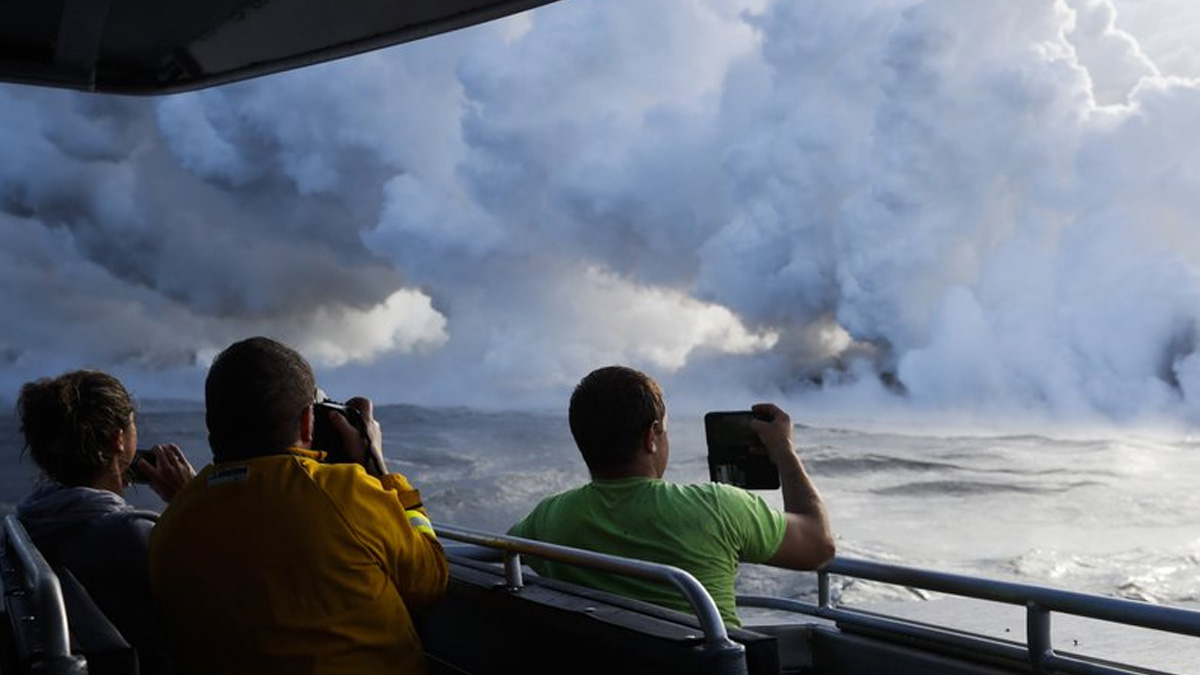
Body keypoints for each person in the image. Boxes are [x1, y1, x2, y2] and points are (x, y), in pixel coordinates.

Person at [149, 336, 447, 675]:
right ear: (308, 421)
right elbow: (429, 581)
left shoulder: (172, 524)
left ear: (211, 424)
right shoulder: (343, 492)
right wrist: (376, 466)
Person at [508, 365, 835, 627]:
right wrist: (784, 452)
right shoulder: (718, 507)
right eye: (664, 430)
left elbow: (496, 553)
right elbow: (818, 546)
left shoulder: (548, 518)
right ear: (651, 437)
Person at [15, 370, 196, 673]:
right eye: (132, 425)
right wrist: (189, 500)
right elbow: (224, 591)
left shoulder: (33, 519)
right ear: (118, 440)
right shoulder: (130, 535)